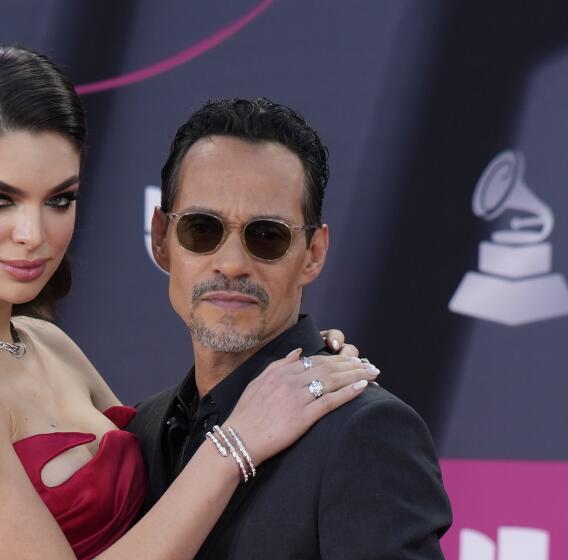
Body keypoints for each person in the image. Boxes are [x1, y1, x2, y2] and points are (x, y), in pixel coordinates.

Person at [0, 46, 376, 560]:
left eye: (59, 199)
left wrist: (296, 366)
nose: (32, 233)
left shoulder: (44, 342)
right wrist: (239, 442)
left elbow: (170, 452)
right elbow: (210, 461)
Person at [128, 97, 453, 559]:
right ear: (162, 239)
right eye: (202, 229)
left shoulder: (366, 434)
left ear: (313, 253)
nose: (232, 263)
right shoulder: (141, 429)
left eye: (267, 236)